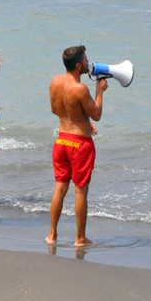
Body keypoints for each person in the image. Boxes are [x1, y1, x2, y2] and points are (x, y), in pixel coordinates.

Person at [46, 45, 107, 247]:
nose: (88, 63)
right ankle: (80, 238)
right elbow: (97, 113)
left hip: (61, 140)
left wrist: (83, 121)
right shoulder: (81, 88)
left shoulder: (55, 81)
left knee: (59, 189)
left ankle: (52, 235)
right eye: (86, 60)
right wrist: (100, 92)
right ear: (79, 65)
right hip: (79, 145)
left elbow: (57, 110)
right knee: (80, 191)